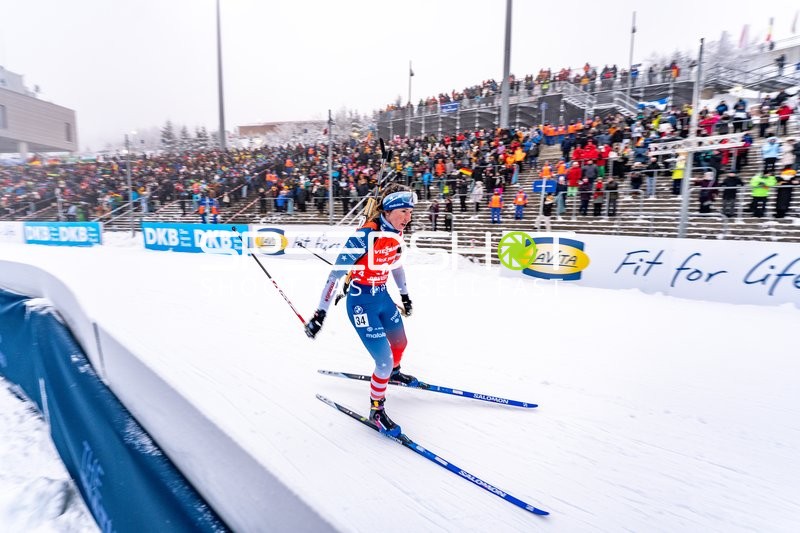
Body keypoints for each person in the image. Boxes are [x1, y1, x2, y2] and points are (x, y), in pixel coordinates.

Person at [304, 184, 416, 437]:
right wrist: (320, 314)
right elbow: (335, 276)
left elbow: (396, 265)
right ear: (388, 210)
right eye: (404, 211)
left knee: (400, 344)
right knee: (383, 361)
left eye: (410, 212)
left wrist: (405, 296)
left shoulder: (396, 233)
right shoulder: (364, 236)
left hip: (383, 297)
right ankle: (377, 411)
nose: (408, 218)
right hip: (361, 302)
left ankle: (394, 374)